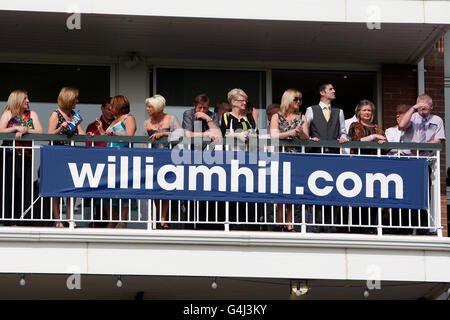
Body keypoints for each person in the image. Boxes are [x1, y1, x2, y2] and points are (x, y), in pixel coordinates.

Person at [0, 90, 43, 226]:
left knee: (24, 188)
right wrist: (15, 128)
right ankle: (8, 219)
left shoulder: (32, 114)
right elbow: (0, 130)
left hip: (26, 156)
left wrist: (26, 130)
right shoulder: (8, 113)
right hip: (10, 156)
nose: (28, 101)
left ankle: (21, 219)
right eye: (25, 98)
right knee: (9, 187)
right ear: (18, 100)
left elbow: (40, 131)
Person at [270, 89, 309, 231]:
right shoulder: (276, 116)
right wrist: (291, 133)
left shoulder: (301, 116)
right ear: (288, 100)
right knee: (280, 188)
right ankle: (280, 221)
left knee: (291, 190)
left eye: (300, 99)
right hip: (279, 156)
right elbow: (273, 135)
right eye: (296, 99)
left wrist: (300, 132)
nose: (299, 102)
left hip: (295, 157)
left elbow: (306, 137)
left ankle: (290, 223)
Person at [48, 87, 86, 228]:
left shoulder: (74, 114)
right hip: (56, 154)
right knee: (56, 187)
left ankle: (70, 217)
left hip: (71, 154)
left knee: (72, 185)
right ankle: (58, 220)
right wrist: (60, 128)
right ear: (68, 99)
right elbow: (50, 134)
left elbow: (81, 132)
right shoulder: (56, 114)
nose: (77, 101)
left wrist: (89, 134)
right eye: (75, 98)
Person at [144, 94, 183, 229]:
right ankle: (157, 217)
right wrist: (145, 157)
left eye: (150, 107)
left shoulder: (171, 118)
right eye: (147, 106)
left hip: (168, 157)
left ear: (157, 107)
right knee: (155, 189)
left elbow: (180, 134)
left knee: (165, 188)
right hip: (153, 158)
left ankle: (163, 218)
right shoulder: (147, 123)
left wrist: (164, 134)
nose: (147, 109)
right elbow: (145, 142)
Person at [101, 95, 136, 228]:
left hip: (123, 159)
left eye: (112, 104)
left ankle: (122, 220)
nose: (110, 107)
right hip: (110, 158)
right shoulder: (114, 121)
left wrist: (115, 135)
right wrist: (100, 131)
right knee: (108, 190)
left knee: (123, 190)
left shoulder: (129, 118)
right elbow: (109, 137)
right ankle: (111, 220)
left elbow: (130, 137)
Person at [85, 97, 114, 227]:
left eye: (113, 108)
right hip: (98, 165)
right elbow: (88, 146)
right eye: (108, 108)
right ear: (102, 109)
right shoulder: (92, 126)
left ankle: (114, 221)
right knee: (97, 198)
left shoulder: (118, 125)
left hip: (114, 165)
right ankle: (98, 222)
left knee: (114, 195)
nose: (111, 111)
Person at [305, 82, 347, 146]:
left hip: (334, 151)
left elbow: (343, 132)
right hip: (316, 151)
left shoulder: (339, 112)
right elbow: (304, 130)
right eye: (330, 89)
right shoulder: (310, 110)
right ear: (322, 92)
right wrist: (310, 139)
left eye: (333, 89)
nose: (334, 91)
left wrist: (343, 138)